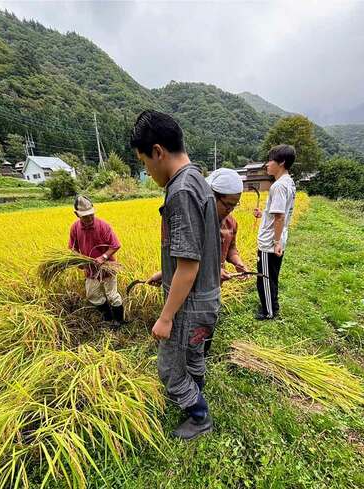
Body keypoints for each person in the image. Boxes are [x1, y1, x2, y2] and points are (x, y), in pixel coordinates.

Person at [132, 109, 221, 440]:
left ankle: (199, 417)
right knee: (194, 352)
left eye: (144, 162)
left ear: (158, 151)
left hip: (190, 305)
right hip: (205, 299)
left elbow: (189, 265)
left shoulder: (180, 190)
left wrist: (166, 317)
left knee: (170, 367)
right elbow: (194, 251)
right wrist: (164, 272)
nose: (147, 170)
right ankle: (196, 389)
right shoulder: (198, 179)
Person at [204, 167, 247, 356]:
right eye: (227, 204)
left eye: (234, 205)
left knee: (210, 319)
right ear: (213, 196)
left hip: (215, 285)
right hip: (194, 286)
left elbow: (230, 249)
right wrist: (212, 271)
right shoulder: (198, 221)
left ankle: (203, 353)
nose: (229, 210)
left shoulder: (231, 223)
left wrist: (238, 261)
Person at [253, 144, 296, 320]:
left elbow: (279, 216)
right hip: (278, 238)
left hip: (270, 242)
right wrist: (262, 214)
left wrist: (275, 242)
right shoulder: (289, 183)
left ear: (282, 162)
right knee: (272, 276)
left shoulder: (278, 186)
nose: (267, 165)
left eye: (270, 161)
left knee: (264, 278)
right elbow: (277, 213)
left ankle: (268, 311)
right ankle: (273, 305)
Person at [67, 195, 124, 328]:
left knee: (112, 295)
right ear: (77, 214)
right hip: (90, 270)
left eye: (91, 215)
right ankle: (108, 319)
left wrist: (103, 257)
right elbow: (72, 248)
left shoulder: (103, 226)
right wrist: (78, 261)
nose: (89, 218)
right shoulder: (75, 228)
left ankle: (119, 321)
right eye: (85, 216)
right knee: (93, 295)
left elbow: (115, 245)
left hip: (107, 267)